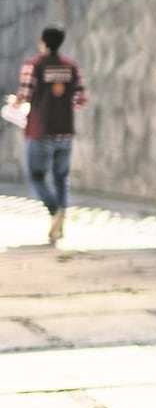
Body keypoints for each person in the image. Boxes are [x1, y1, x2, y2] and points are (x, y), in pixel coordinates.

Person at [12, 25, 88, 245]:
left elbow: (24, 96)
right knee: (61, 177)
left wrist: (14, 106)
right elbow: (81, 99)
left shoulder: (33, 66)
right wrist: (62, 107)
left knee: (36, 176)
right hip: (65, 130)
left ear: (43, 41)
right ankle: (60, 217)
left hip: (40, 130)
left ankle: (55, 210)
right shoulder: (72, 67)